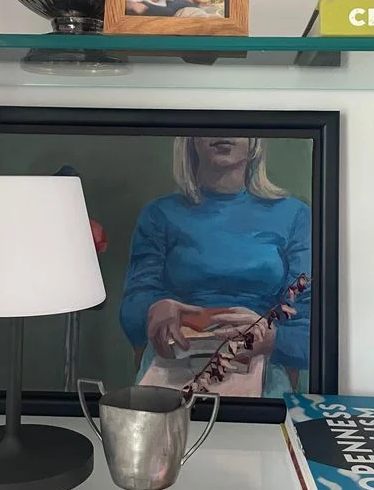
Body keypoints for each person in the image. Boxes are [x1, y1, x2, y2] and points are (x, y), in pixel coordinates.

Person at [118, 136, 312, 397]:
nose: (225, 134)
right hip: (175, 361)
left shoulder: (295, 215)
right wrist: (154, 309)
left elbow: (310, 327)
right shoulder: (159, 214)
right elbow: (132, 311)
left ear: (255, 142)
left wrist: (273, 339)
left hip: (261, 363)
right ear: (192, 141)